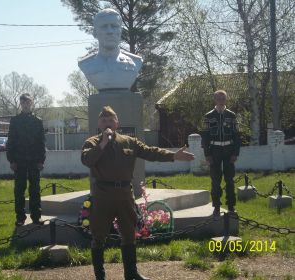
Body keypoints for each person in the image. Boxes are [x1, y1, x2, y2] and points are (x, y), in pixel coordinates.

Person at [81, 106, 195, 280]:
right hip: (103, 196)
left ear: (117, 123)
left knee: (129, 235)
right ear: (99, 124)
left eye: (110, 120)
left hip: (125, 196)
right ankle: (100, 276)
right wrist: (103, 143)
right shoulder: (92, 142)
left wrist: (173, 155)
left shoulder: (129, 141)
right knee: (99, 237)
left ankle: (131, 273)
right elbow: (87, 160)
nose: (107, 123)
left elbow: (150, 152)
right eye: (103, 120)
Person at [78, 8, 143, 91]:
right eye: (104, 27)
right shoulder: (85, 64)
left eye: (114, 26)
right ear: (94, 32)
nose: (110, 31)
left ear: (121, 31)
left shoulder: (136, 61)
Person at [6, 93, 46, 226]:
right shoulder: (15, 121)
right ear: (21, 104)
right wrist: (11, 160)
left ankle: (36, 216)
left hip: (34, 160)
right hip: (19, 160)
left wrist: (41, 160)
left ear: (32, 103)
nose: (26, 104)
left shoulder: (38, 121)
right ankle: (20, 217)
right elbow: (10, 141)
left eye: (28, 102)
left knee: (35, 189)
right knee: (19, 190)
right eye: (23, 102)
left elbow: (41, 142)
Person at [201, 90, 240, 216]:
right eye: (219, 98)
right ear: (215, 100)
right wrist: (207, 154)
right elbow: (205, 137)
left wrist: (236, 153)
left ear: (226, 100)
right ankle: (216, 206)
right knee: (215, 180)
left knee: (230, 179)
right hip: (215, 151)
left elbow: (237, 136)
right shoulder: (208, 116)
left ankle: (231, 206)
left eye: (223, 98)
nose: (221, 101)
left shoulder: (232, 115)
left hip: (229, 150)